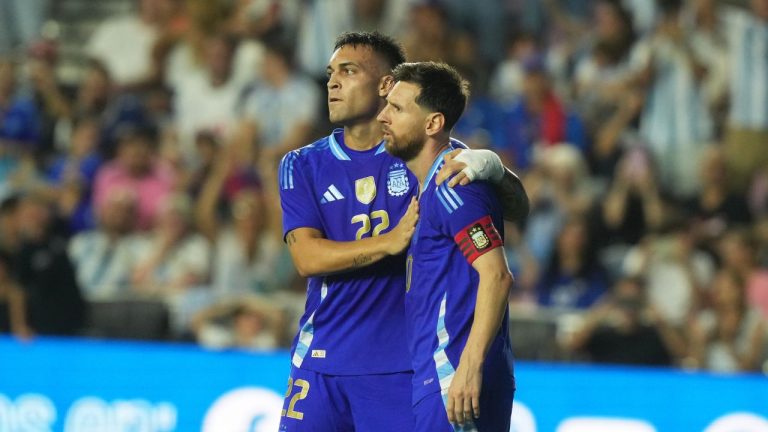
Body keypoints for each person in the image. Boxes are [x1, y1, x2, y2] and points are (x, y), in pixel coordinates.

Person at [277, 32, 526, 432]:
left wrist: (493, 166)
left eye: (348, 70)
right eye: (330, 73)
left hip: (401, 367)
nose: (333, 82)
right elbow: (307, 259)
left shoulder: (429, 155)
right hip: (320, 360)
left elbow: (512, 211)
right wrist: (388, 242)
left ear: (385, 84)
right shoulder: (302, 164)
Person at [377, 62, 517, 431]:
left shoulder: (454, 186)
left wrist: (468, 367)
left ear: (433, 123)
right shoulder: (433, 184)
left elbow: (497, 275)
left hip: (453, 378)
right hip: (441, 377)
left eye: (397, 108)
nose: (383, 116)